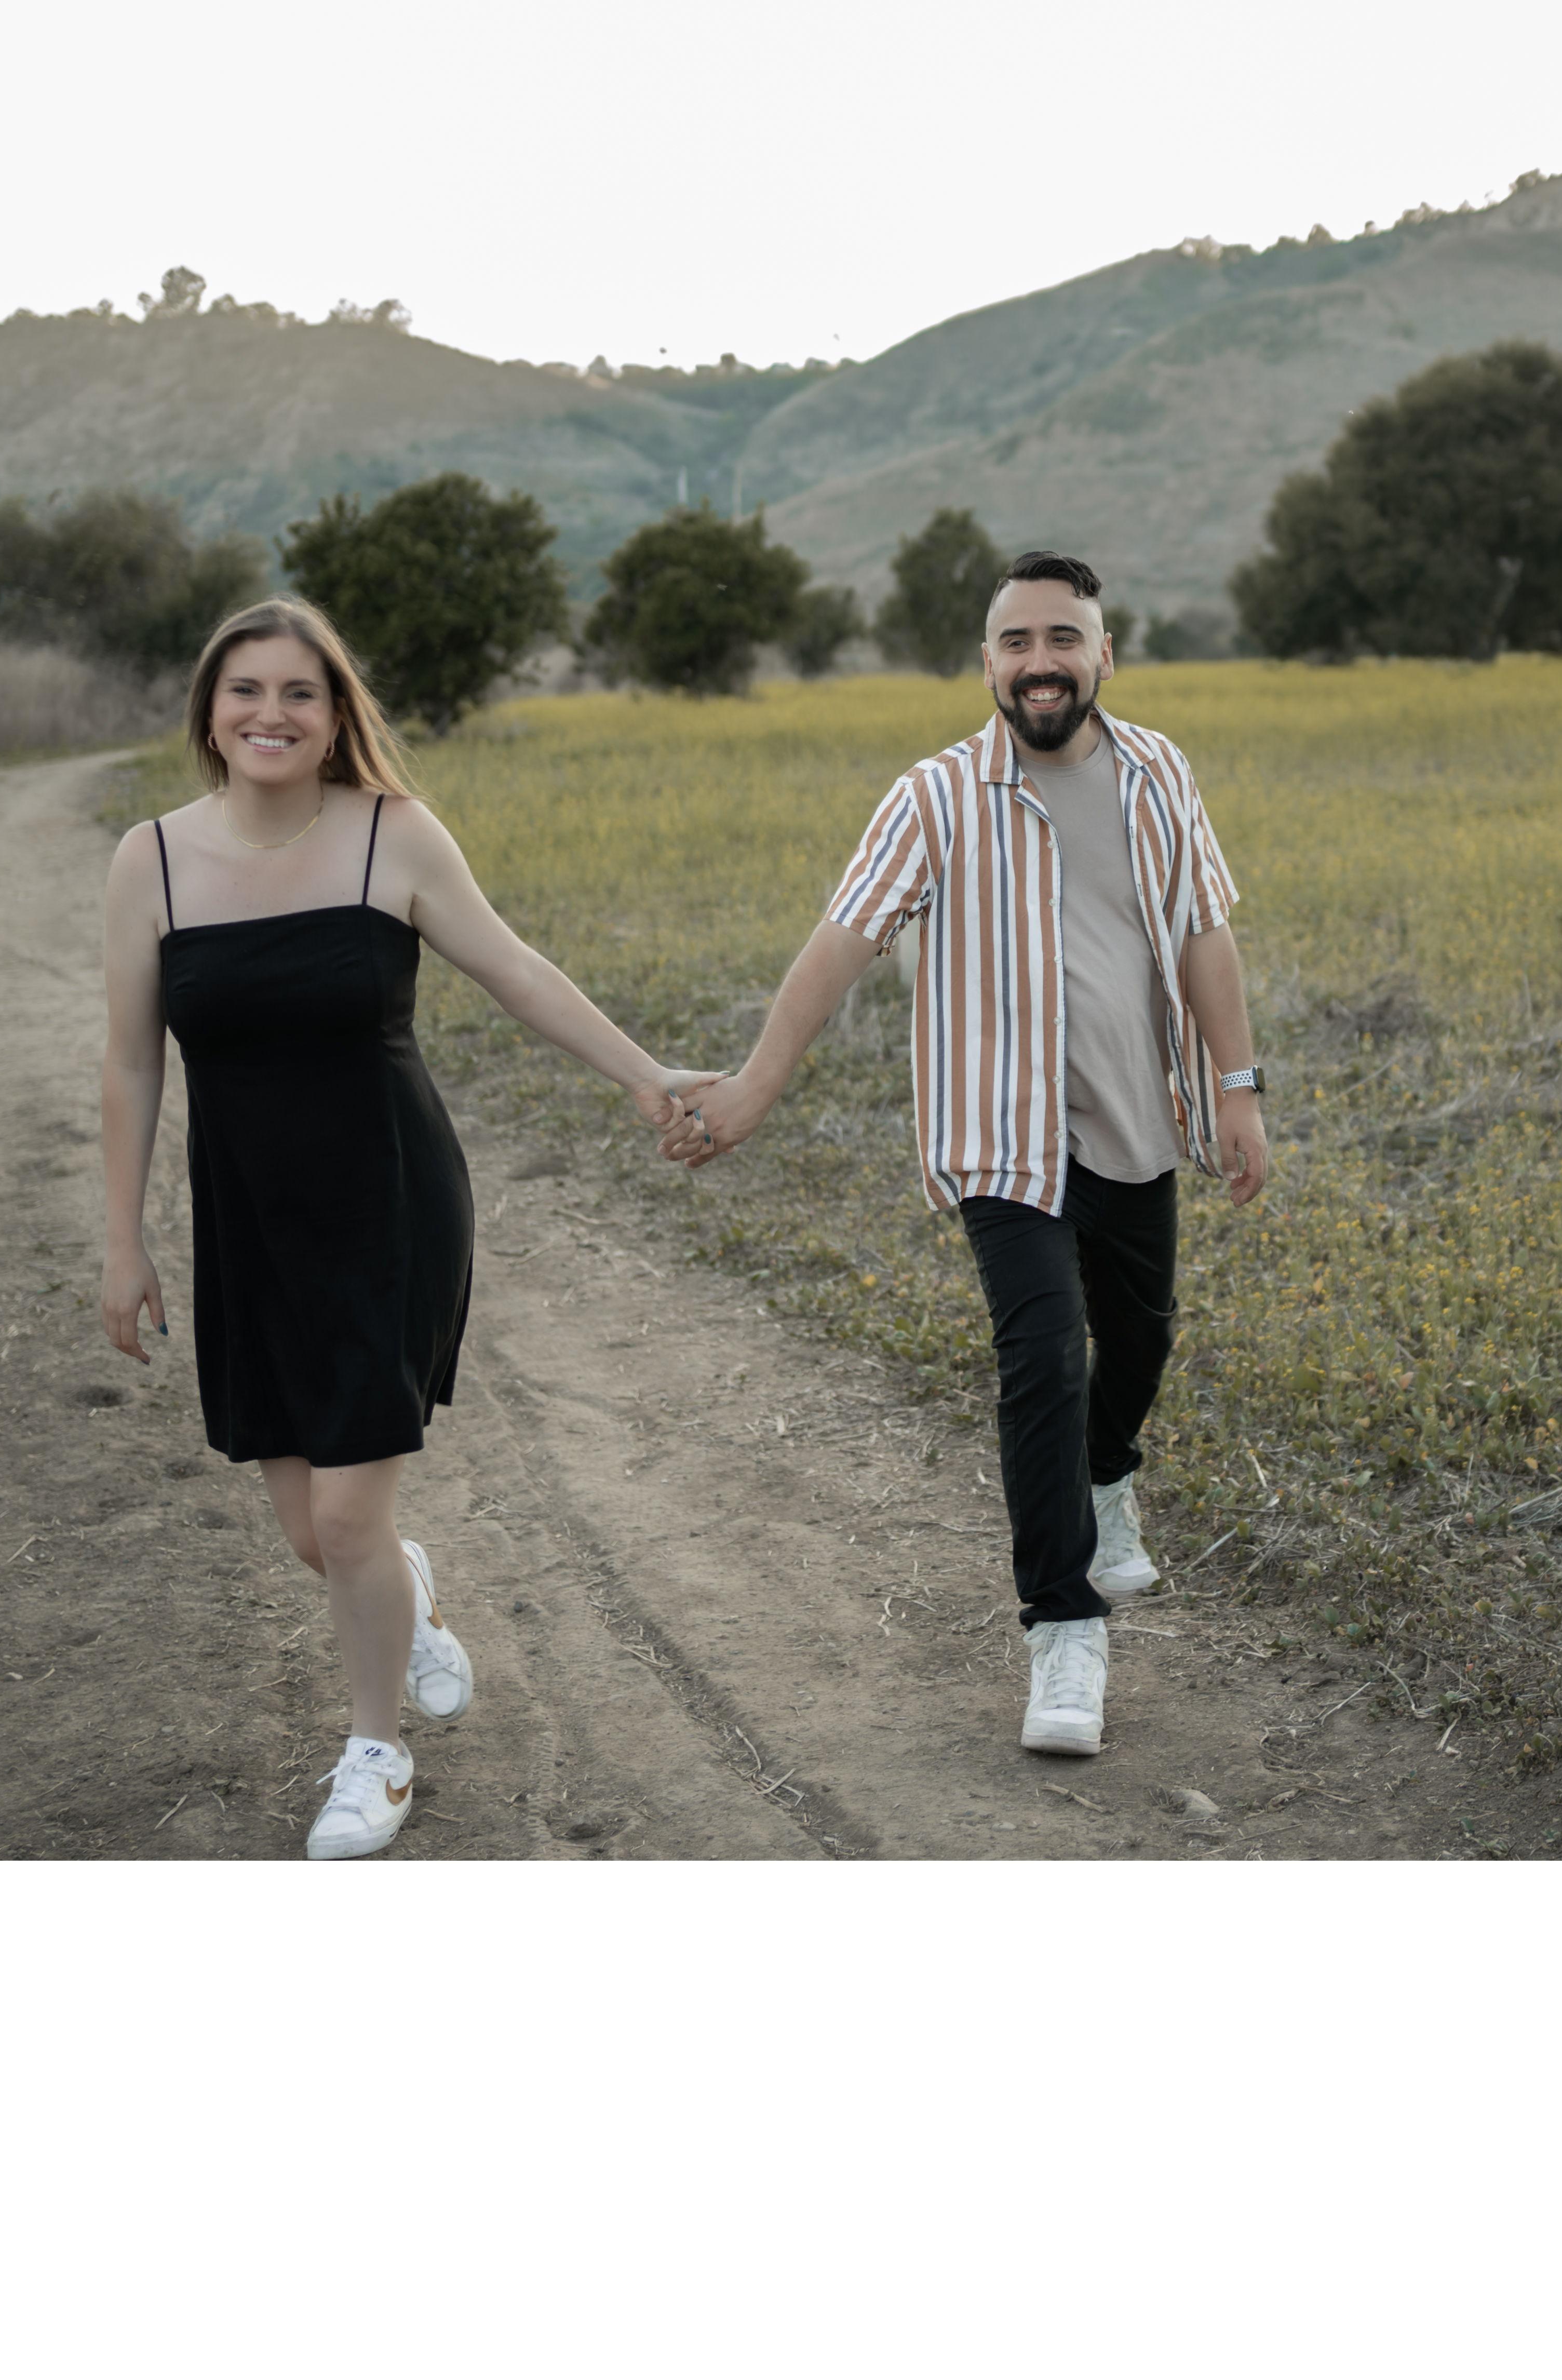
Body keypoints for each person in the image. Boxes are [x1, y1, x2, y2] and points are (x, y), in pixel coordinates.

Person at [99, 597, 707, 1860]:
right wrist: (124, 1239)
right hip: (249, 1220)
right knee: (311, 1530)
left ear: (335, 721)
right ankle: (410, 1602)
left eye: (300, 694)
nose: (271, 714)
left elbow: (518, 971)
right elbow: (132, 1063)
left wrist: (648, 1076)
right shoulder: (148, 862)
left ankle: (375, 1756)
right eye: (246, 690)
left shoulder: (395, 836)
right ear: (210, 712)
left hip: (388, 1203)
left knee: (346, 1522)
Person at [666, 549, 1271, 1757]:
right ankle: (1064, 1627)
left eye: (1063, 638)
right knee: (1042, 1355)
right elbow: (841, 943)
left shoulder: (1160, 773)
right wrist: (754, 1087)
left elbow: (1206, 931)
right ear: (987, 662)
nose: (1040, 662)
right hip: (1003, 1137)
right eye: (1017, 642)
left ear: (1104, 654)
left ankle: (1106, 1477)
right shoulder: (935, 798)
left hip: (1137, 1122)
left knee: (1140, 1341)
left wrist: (1238, 1088)